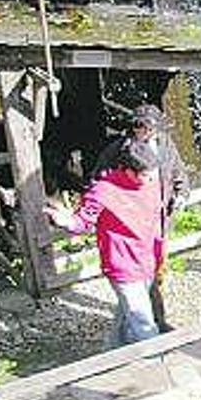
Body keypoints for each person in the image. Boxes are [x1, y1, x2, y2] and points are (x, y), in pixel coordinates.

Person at [46, 140, 164, 347]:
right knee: (144, 324)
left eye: (153, 172)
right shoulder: (102, 191)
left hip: (147, 259)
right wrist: (66, 221)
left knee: (129, 314)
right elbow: (83, 221)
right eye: (145, 174)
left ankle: (112, 353)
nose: (151, 178)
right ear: (127, 170)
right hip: (123, 264)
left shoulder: (152, 182)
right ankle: (162, 369)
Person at [92, 103, 189, 333]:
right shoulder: (119, 150)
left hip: (158, 220)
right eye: (143, 128)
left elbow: (178, 172)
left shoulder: (165, 144)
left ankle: (150, 322)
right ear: (135, 128)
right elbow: (100, 178)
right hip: (132, 222)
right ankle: (151, 327)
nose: (148, 133)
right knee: (138, 277)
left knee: (154, 272)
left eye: (152, 128)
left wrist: (182, 193)